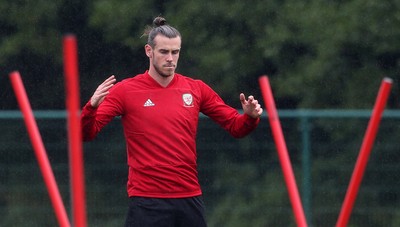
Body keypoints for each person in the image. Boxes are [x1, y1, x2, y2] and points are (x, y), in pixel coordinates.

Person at [81, 16, 263, 227]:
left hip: (188, 197)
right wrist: (91, 107)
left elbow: (236, 126)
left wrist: (250, 117)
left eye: (175, 52)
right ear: (149, 51)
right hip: (146, 201)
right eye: (164, 52)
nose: (170, 58)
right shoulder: (125, 91)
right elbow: (86, 133)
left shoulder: (195, 89)